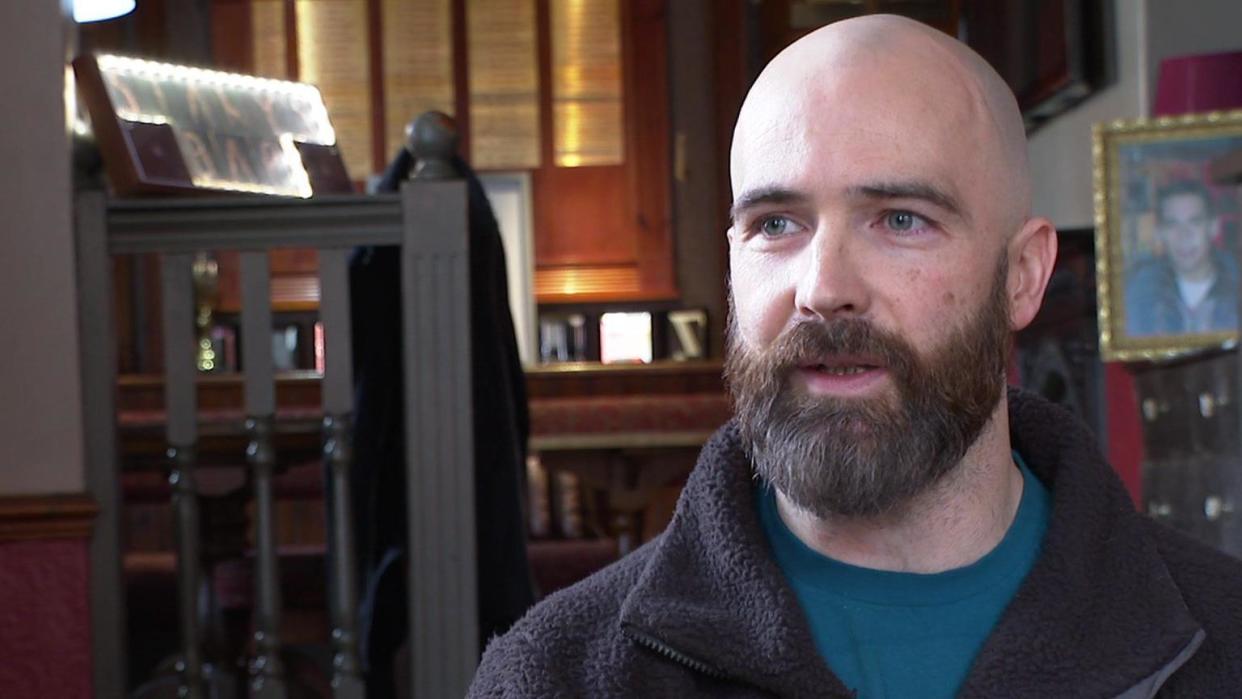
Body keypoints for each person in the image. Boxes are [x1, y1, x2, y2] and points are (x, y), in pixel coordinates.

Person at [469, 15, 1242, 698]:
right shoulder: (557, 674)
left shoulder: (1221, 641)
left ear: (1023, 276)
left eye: (900, 218)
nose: (824, 288)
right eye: (776, 224)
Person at [1126, 179, 1238, 337]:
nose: (1184, 236)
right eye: (1172, 225)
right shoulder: (1138, 295)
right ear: (1160, 233)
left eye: (1195, 222)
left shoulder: (1236, 287)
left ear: (1213, 227)